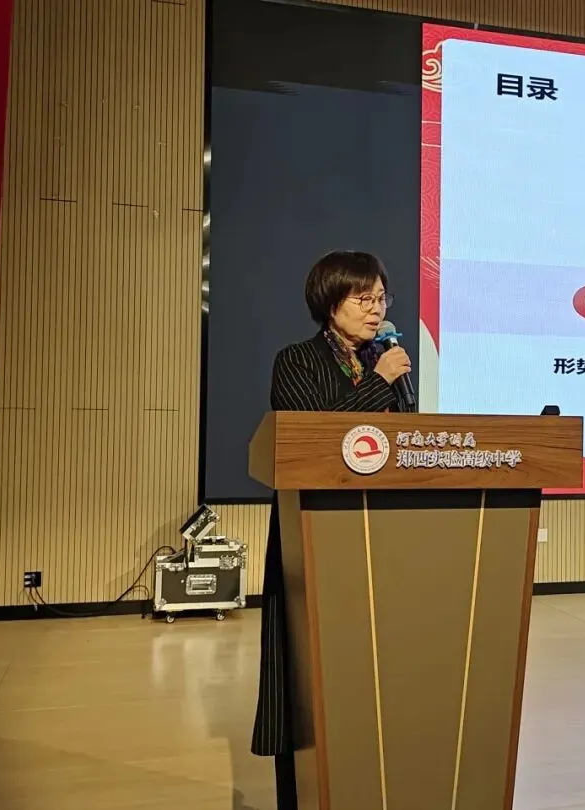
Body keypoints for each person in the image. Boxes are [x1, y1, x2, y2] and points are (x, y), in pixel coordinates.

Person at [249, 250, 412, 810]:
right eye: (363, 298)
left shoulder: (387, 361)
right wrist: (379, 383)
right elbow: (315, 440)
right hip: (312, 537)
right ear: (330, 301)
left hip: (380, 537)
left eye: (381, 298)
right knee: (307, 672)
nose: (376, 309)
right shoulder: (296, 360)